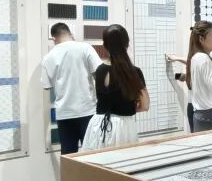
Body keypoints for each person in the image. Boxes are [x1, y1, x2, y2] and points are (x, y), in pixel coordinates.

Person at [80, 24, 149, 150]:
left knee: (96, 160)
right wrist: (130, 107)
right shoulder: (134, 72)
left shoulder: (99, 70)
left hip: (97, 125)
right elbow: (145, 105)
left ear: (105, 45)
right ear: (127, 44)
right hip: (123, 126)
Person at [40, 22, 102, 154]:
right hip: (87, 110)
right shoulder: (85, 48)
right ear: (71, 34)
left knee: (68, 155)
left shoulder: (48, 57)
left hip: (64, 113)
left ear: (53, 38)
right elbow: (99, 75)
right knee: (92, 154)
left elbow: (46, 86)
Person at [165, 54, 193, 132]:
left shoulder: (199, 64)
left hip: (198, 107)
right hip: (192, 106)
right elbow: (183, 76)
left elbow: (191, 62)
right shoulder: (192, 73)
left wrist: (176, 58)